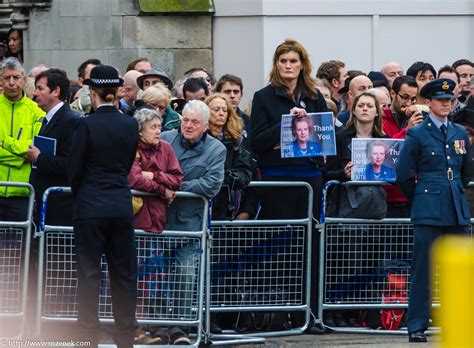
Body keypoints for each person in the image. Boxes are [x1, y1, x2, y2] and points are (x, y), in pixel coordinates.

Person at [250, 38, 328, 334]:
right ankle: (279, 313)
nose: (288, 66)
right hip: (278, 179)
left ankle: (310, 313)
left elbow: (322, 136)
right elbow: (256, 141)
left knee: (310, 246)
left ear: (302, 64)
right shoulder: (264, 96)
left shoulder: (314, 95)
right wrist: (285, 123)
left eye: (293, 61)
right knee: (280, 248)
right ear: (276, 64)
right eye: (283, 61)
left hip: (309, 177)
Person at [67, 65, 139, 348]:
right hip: (120, 204)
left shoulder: (85, 124)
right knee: (124, 276)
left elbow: (75, 168)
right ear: (116, 92)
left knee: (88, 275)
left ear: (93, 93)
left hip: (90, 205)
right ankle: (125, 339)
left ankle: (87, 339)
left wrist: (82, 194)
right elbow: (127, 162)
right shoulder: (130, 124)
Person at [396, 78, 473, 343]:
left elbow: (466, 173)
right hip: (428, 206)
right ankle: (417, 325)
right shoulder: (417, 133)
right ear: (428, 103)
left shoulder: (460, 133)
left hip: (455, 206)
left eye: (449, 100)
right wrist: (419, 197)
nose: (446, 104)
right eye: (440, 100)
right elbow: (404, 173)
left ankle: (463, 321)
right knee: (423, 271)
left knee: (463, 269)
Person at [160, 100, 226, 345]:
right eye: (185, 120)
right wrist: (161, 187)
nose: (187, 126)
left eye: (194, 122)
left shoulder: (216, 149)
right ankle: (156, 326)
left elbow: (212, 184)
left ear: (205, 126)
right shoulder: (165, 138)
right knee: (154, 277)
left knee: (185, 278)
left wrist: (174, 188)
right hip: (158, 222)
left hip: (190, 226)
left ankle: (180, 328)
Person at [27, 68, 79, 226]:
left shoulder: (71, 121)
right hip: (45, 202)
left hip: (61, 206)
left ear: (56, 91)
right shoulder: (47, 119)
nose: (35, 93)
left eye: (40, 88)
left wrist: (39, 158)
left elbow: (70, 163)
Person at [0, 57, 44, 221]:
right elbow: (26, 151)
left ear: (24, 79)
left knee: (19, 245)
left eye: (16, 77)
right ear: (1, 80)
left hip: (23, 192)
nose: (12, 82)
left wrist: (6, 144)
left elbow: (34, 150)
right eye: (7, 78)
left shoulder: (36, 111)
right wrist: (20, 157)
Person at [128, 107, 183, 233]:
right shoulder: (131, 147)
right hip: (136, 220)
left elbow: (177, 179)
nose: (158, 131)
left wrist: (154, 175)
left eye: (159, 127)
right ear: (140, 131)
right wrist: (163, 190)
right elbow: (136, 180)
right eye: (153, 127)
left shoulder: (166, 148)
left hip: (160, 219)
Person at [204, 93, 252, 220]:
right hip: (204, 201)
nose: (221, 113)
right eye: (216, 109)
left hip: (229, 203)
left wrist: (227, 178)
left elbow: (246, 171)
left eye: (224, 110)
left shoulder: (236, 140)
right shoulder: (200, 139)